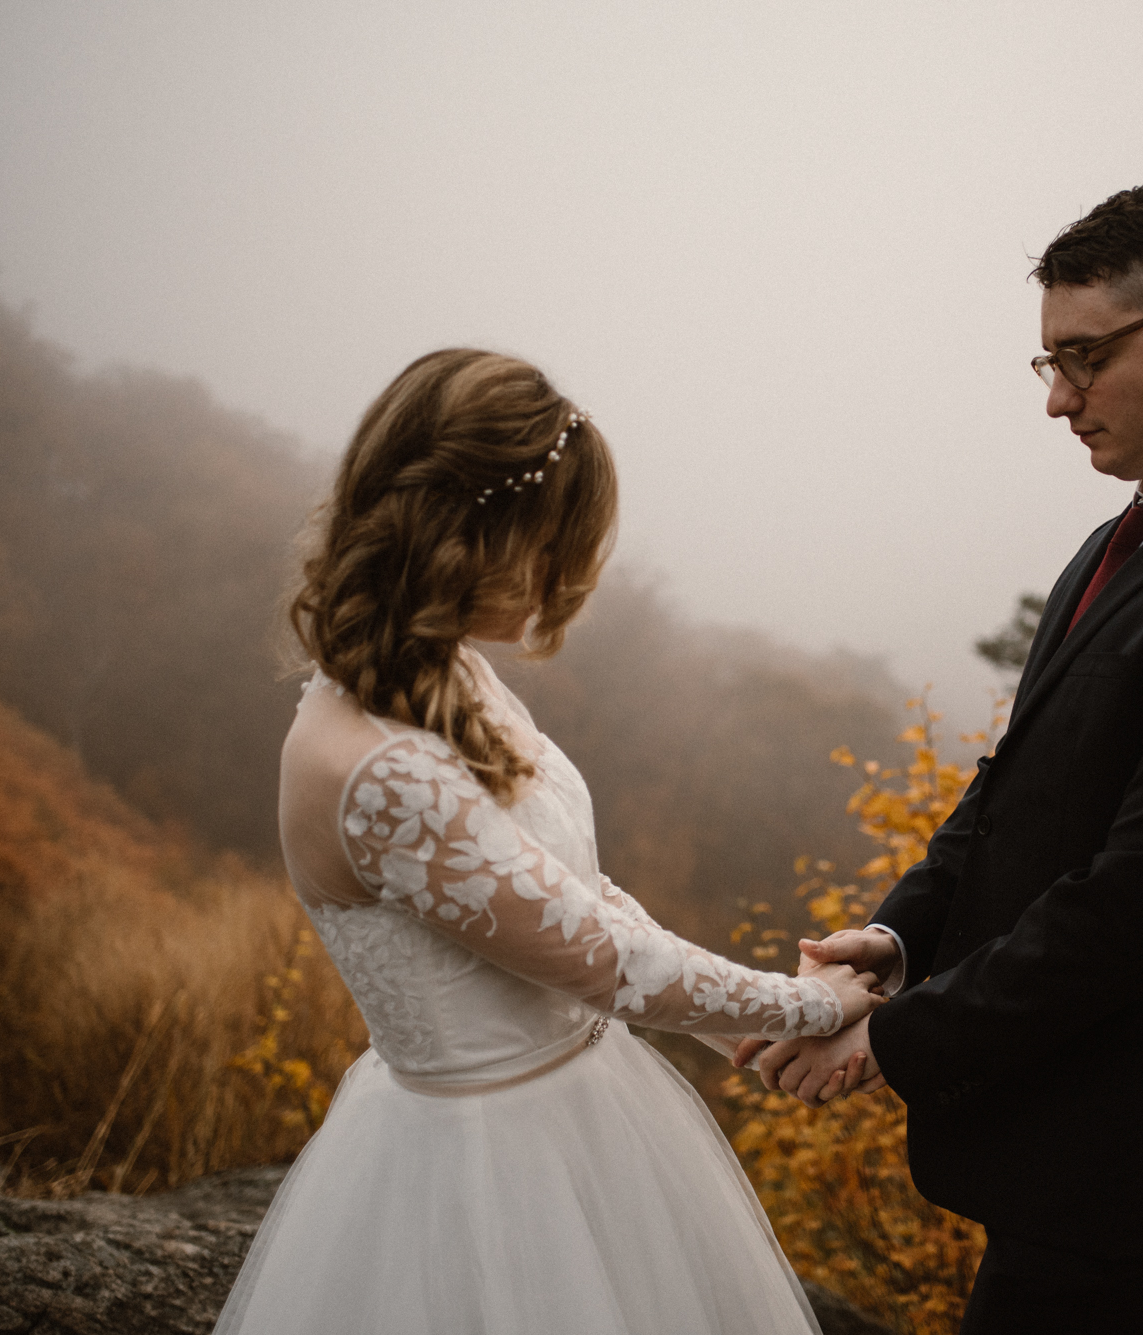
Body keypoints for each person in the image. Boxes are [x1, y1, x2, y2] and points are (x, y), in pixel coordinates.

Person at [739, 182, 1143, 1333]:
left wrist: (887, 1039)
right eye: (1044, 362)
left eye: (1082, 358)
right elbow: (1018, 787)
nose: (1054, 400)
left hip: (1136, 1151)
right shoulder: (1126, 535)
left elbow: (1138, 907)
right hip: (1058, 1113)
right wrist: (897, 939)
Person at [213, 349, 883, 1335]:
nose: (567, 576)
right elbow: (601, 959)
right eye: (551, 543)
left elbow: (566, 890)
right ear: (467, 532)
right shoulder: (373, 769)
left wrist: (731, 1030)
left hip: (588, 1105)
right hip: (484, 1167)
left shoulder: (444, 673)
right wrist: (809, 1004)